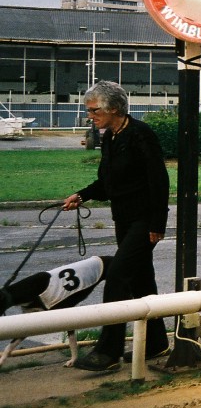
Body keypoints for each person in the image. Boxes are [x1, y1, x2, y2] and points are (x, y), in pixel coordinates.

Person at [62, 80, 170, 372]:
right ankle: (157, 341)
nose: (90, 115)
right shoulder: (109, 137)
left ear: (114, 108)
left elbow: (159, 181)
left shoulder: (141, 135)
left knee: (119, 277)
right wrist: (82, 195)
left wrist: (158, 223)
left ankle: (108, 351)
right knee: (141, 281)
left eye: (95, 110)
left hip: (145, 221)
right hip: (123, 220)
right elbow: (108, 182)